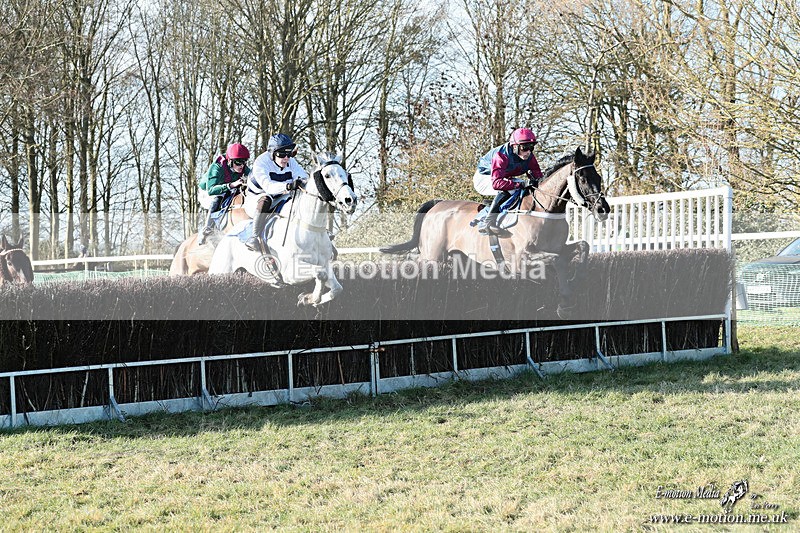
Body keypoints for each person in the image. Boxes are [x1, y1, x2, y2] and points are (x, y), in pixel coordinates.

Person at [244, 133, 308, 251]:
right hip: (257, 198)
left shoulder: (291, 161)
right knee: (266, 199)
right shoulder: (261, 163)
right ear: (272, 153)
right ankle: (254, 237)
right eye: (282, 154)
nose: (286, 158)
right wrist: (288, 186)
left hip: (281, 195)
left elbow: (303, 177)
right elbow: (268, 187)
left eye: (289, 154)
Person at [474, 128, 543, 234]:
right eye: (525, 147)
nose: (528, 152)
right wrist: (521, 184)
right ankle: (487, 222)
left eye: (531, 147)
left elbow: (538, 177)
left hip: (504, 178)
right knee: (510, 189)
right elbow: (497, 184)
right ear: (514, 146)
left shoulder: (529, 156)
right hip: (484, 178)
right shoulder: (501, 156)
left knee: (525, 187)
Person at [198, 143, 251, 245]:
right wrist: (231, 185)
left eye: (244, 162)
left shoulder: (241, 165)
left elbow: (254, 177)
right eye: (239, 163)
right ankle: (207, 229)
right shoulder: (217, 167)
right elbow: (211, 190)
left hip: (225, 188)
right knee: (217, 199)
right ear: (230, 161)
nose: (242, 165)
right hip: (207, 192)